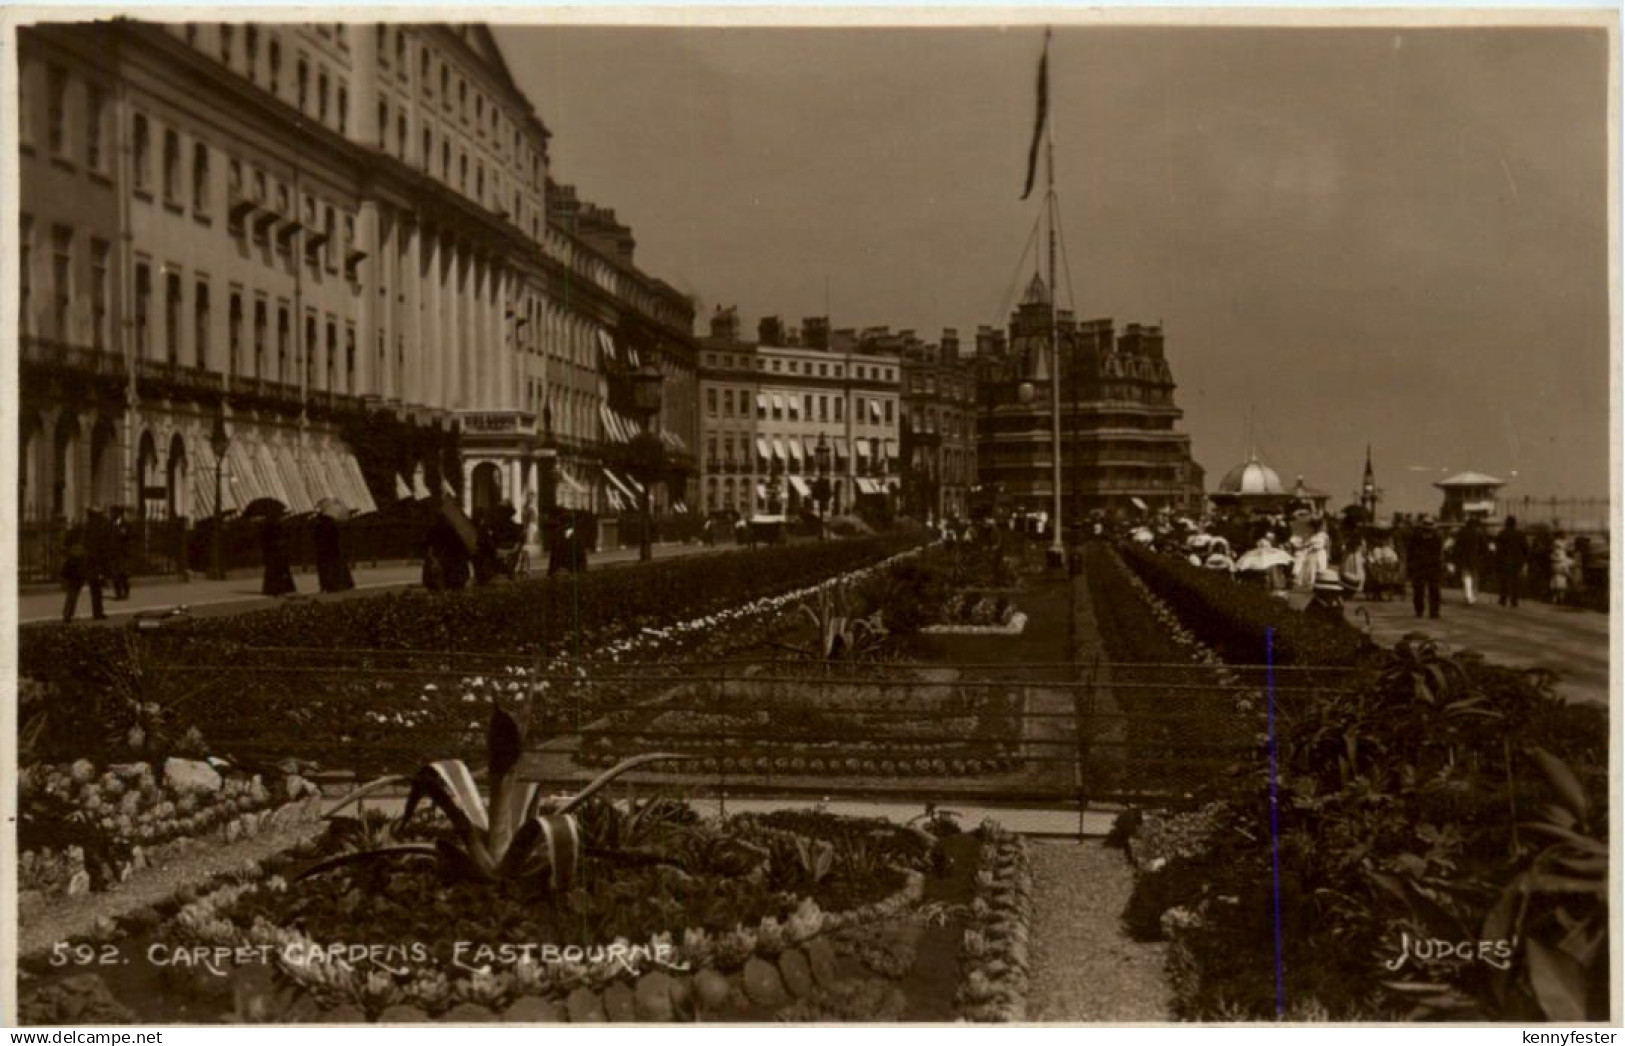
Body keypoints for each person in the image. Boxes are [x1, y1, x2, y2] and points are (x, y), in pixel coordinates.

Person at [61, 511, 108, 623]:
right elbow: (102, 550)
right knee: (96, 589)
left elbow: (66, 541)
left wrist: (71, 551)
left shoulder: (79, 528)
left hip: (78, 562)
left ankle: (67, 613)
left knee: (73, 589)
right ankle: (98, 613)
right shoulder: (98, 531)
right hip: (91, 563)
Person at [1406, 516, 1445, 619]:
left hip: (1429, 566)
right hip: (1424, 566)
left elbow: (1410, 552)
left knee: (1432, 590)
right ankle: (1427, 611)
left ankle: (1429, 611)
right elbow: (1411, 552)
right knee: (1422, 590)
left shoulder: (1435, 537)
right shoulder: (1418, 537)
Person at [314, 510, 355, 593]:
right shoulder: (333, 526)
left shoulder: (319, 527)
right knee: (335, 567)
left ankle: (326, 585)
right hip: (333, 550)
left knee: (325, 569)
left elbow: (315, 538)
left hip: (323, 551)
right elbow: (336, 538)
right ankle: (337, 584)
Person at [259, 508, 297, 596]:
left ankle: (272, 588)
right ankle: (283, 588)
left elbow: (264, 540)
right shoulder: (276, 525)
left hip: (272, 551)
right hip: (277, 550)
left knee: (273, 570)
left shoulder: (266, 525)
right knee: (280, 570)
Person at [1494, 517, 1528, 607]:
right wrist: (1525, 560)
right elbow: (1525, 548)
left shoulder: (1502, 534)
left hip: (1504, 560)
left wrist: (1497, 560)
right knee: (1515, 581)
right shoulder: (1520, 534)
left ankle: (1503, 599)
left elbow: (1498, 549)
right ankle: (1514, 600)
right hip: (1517, 561)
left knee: (1504, 580)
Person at [1453, 517, 1486, 606]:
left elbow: (1457, 547)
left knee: (1466, 577)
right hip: (1475, 558)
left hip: (1463, 558)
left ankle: (1468, 594)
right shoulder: (1478, 533)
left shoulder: (1461, 533)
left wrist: (1456, 558)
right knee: (1475, 577)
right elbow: (1483, 547)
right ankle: (1473, 595)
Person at [107, 505, 133, 600]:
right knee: (115, 575)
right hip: (113, 553)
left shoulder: (125, 524)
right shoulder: (110, 524)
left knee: (123, 574)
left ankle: (125, 592)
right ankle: (118, 593)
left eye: (114, 513)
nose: (112, 514)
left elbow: (128, 536)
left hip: (122, 553)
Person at [1548, 534, 1571, 607]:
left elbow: (1552, 558)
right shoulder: (1561, 552)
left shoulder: (1554, 552)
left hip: (1556, 568)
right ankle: (1561, 599)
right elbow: (1564, 561)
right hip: (1561, 568)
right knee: (1561, 585)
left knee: (1555, 584)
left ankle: (1555, 599)